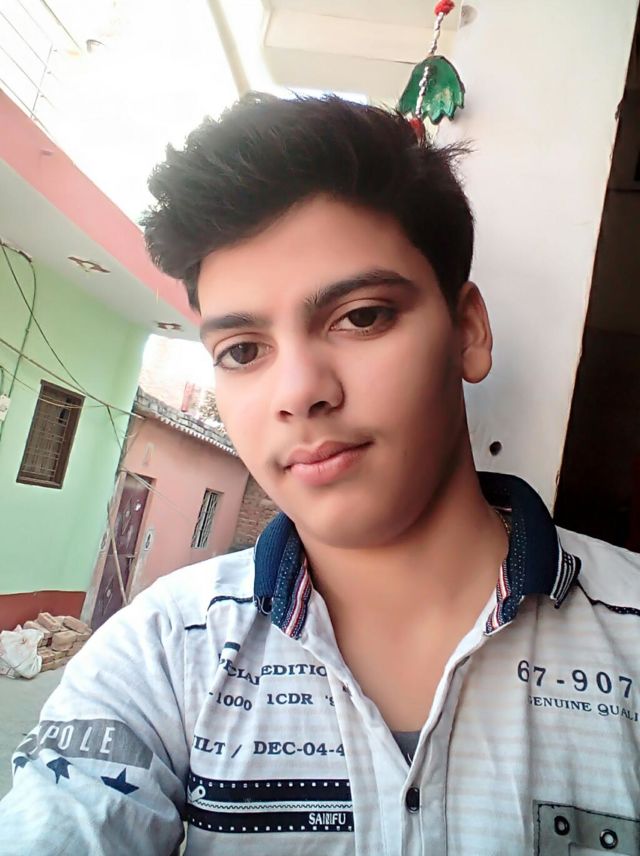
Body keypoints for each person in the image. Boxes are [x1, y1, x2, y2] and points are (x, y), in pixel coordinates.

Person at [1, 93, 639, 855]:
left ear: (468, 331)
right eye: (242, 351)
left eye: (361, 316)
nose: (299, 391)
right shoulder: (160, 654)